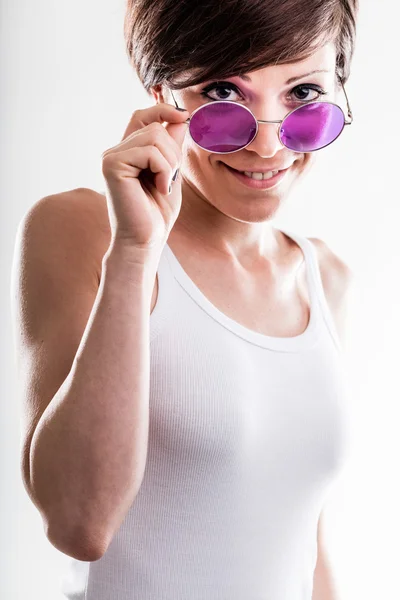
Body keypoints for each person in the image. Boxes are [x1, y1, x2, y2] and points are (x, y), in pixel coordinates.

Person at [11, 0, 359, 598]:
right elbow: (78, 524)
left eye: (303, 94)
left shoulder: (325, 276)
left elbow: (308, 547)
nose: (269, 147)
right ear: (162, 98)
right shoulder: (82, 230)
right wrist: (134, 252)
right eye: (223, 93)